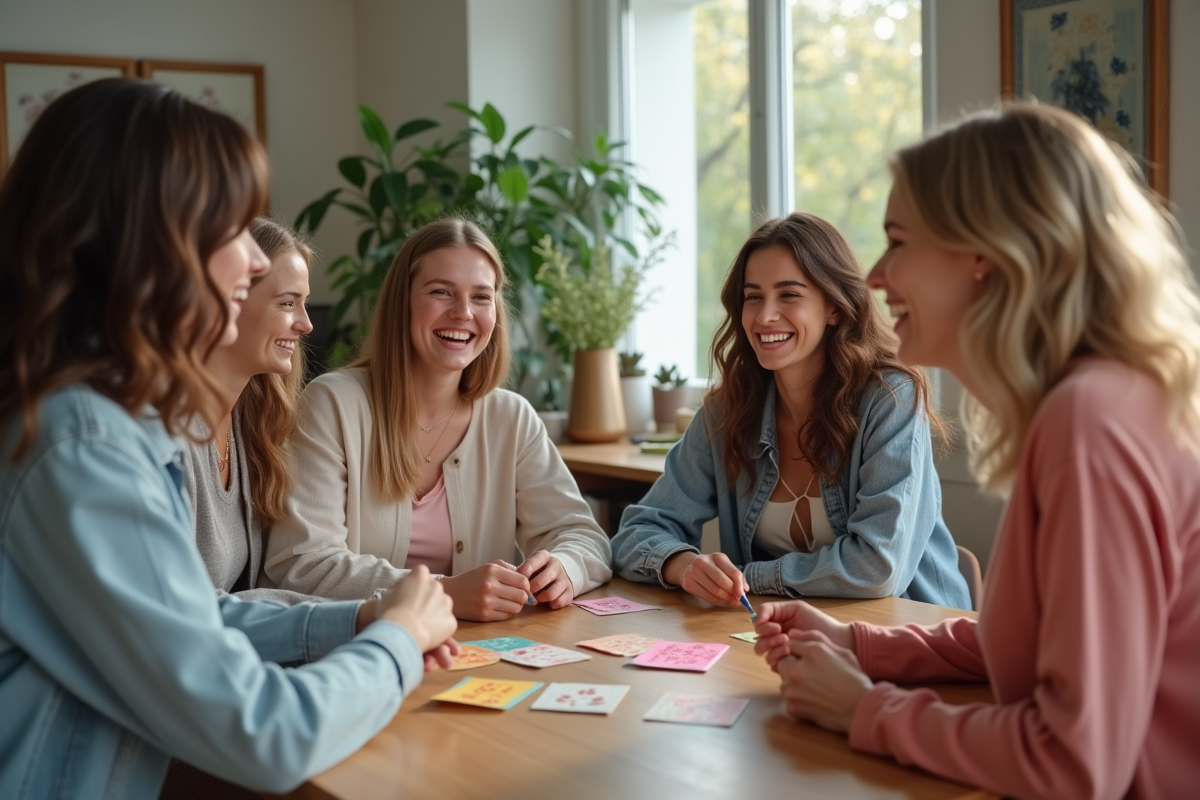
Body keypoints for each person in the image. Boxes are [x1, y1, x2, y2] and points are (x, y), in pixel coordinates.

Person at [0, 78, 458, 799]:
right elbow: (265, 733)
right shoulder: (83, 443)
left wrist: (364, 616)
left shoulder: (103, 419)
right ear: (150, 238)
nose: (252, 258)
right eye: (232, 228)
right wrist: (396, 640)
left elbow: (190, 613)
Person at [754, 104, 1200, 799]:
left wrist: (866, 709)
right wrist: (858, 645)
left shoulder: (1091, 425)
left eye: (898, 241)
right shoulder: (1095, 403)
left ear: (987, 256)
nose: (874, 275)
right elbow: (1022, 645)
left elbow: (1075, 765)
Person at [611, 212, 970, 610]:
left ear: (834, 307)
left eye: (789, 295)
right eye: (753, 297)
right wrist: (684, 566)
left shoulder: (890, 399)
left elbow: (877, 566)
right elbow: (635, 533)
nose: (765, 316)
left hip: (911, 634)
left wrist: (749, 577)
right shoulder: (728, 410)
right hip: (782, 635)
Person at [264, 217, 613, 621]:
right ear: (403, 301)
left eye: (482, 297)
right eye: (441, 292)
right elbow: (302, 565)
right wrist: (443, 593)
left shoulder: (510, 417)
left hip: (478, 657)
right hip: (362, 653)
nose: (463, 312)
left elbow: (584, 536)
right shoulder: (333, 404)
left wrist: (564, 568)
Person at [182, 217, 318, 605]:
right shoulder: (170, 431)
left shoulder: (252, 419)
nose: (306, 324)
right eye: (288, 303)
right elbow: (189, 612)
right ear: (230, 299)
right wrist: (366, 614)